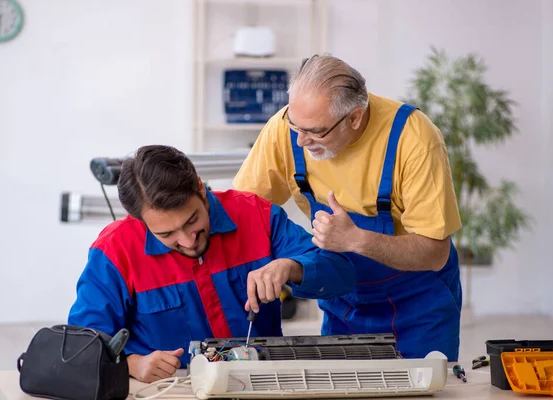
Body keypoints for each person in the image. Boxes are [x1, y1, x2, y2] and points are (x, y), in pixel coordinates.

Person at [233, 54, 463, 361]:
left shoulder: (415, 139)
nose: (300, 140)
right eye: (294, 124)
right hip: (343, 299)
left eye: (316, 132)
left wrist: (356, 240)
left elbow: (435, 253)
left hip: (418, 303)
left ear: (354, 118)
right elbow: (242, 214)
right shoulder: (287, 129)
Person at [68, 144, 355, 383]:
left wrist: (291, 266)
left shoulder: (256, 215)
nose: (188, 241)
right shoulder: (115, 251)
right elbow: (83, 348)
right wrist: (130, 365)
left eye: (191, 221)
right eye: (167, 234)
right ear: (141, 222)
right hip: (167, 392)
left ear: (201, 190)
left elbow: (341, 273)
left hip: (261, 385)